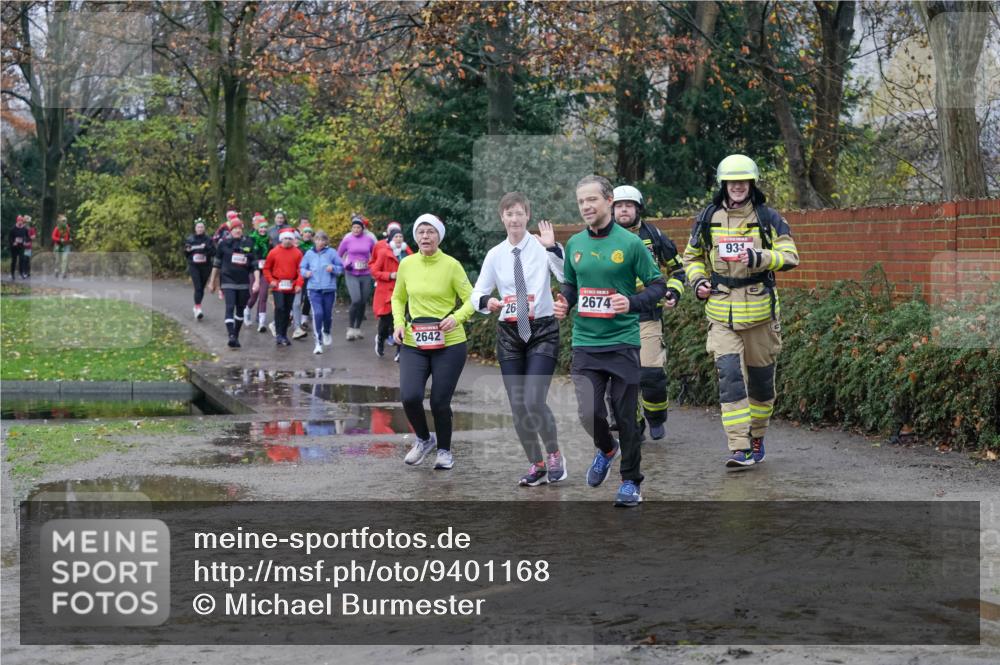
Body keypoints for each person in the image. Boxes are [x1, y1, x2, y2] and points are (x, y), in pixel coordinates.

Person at [553, 175, 666, 507]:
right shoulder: (574, 244)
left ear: (609, 201)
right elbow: (572, 285)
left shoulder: (630, 244)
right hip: (586, 343)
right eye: (581, 202)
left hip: (622, 342)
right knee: (588, 413)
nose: (586, 207)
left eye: (592, 200)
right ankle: (606, 449)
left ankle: (631, 481)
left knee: (625, 414)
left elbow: (657, 285)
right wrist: (565, 302)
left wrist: (631, 302)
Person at [681, 154, 799, 469]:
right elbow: (690, 258)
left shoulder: (768, 217)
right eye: (732, 182)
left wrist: (759, 257)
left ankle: (757, 435)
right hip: (721, 312)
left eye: (742, 181)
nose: (737, 187)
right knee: (730, 378)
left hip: (760, 312)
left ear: (751, 184)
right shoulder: (707, 217)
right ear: (723, 185)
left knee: (761, 385)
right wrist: (698, 282)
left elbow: (790, 256)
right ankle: (739, 447)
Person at [471, 192, 567, 487]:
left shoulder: (543, 247)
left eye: (519, 214)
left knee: (534, 399)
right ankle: (536, 465)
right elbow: (476, 294)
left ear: (528, 216)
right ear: (502, 218)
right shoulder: (495, 254)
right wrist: (489, 302)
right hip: (510, 334)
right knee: (518, 405)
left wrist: (552, 249)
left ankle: (554, 456)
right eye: (509, 214)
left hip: (542, 330)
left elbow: (566, 277)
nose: (514, 219)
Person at [392, 214, 475, 471]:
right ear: (415, 236)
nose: (425, 236)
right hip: (415, 341)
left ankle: (444, 451)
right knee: (410, 396)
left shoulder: (451, 265)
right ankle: (424, 440)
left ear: (439, 236)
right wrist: (397, 322)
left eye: (431, 232)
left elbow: (472, 298)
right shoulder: (407, 264)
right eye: (421, 232)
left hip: (449, 343)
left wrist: (457, 317)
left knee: (439, 401)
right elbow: (398, 298)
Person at [612, 185, 685, 441]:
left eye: (628, 205)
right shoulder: (602, 237)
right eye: (619, 206)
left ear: (638, 208)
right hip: (612, 320)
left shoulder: (654, 235)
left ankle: (655, 416)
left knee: (651, 374)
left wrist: (673, 292)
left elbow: (678, 270)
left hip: (646, 315)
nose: (623, 210)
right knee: (619, 379)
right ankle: (633, 424)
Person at [208, 218, 259, 349]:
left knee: (240, 309)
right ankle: (231, 335)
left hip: (243, 282)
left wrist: (257, 281)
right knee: (230, 307)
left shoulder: (248, 242)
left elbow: (254, 265)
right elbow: (216, 264)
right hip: (227, 281)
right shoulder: (223, 244)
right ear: (230, 230)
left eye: (239, 228)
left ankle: (235, 335)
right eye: (235, 228)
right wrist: (212, 281)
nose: (237, 230)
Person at [370, 224, 411, 360]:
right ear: (391, 239)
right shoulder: (384, 252)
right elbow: (374, 271)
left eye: (401, 236)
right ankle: (380, 340)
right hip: (386, 292)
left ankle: (400, 351)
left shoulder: (408, 253)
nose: (399, 239)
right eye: (396, 236)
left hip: (403, 291)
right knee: (386, 321)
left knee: (401, 320)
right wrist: (390, 275)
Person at [299, 230, 344, 354]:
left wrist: (333, 268)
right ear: (314, 240)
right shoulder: (309, 253)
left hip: (329, 288)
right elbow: (302, 267)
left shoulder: (332, 253)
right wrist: (305, 273)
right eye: (317, 239)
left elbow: (341, 268)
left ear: (326, 241)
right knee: (317, 314)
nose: (320, 242)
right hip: (313, 289)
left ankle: (327, 331)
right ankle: (318, 343)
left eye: (322, 240)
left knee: (327, 315)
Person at [264, 229, 304, 346]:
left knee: (287, 310)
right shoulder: (274, 252)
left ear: (293, 240)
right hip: (278, 285)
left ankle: (284, 335)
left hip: (291, 285)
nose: (287, 241)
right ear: (281, 239)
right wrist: (271, 280)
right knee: (280, 307)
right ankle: (278, 334)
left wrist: (298, 284)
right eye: (285, 238)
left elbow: (300, 270)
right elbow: (266, 268)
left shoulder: (297, 253)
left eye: (290, 239)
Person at [338, 215, 376, 340]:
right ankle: (350, 328)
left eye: (358, 227)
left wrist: (372, 266)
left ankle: (357, 328)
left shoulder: (369, 239)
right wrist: (345, 264)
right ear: (351, 228)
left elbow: (375, 255)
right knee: (356, 300)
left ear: (362, 228)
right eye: (354, 227)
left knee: (363, 301)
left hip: (365, 274)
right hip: (351, 273)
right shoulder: (347, 239)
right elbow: (338, 255)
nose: (356, 229)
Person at [244, 213, 271, 331]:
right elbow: (246, 253)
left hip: (265, 271)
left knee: (263, 295)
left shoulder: (269, 241)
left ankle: (261, 323)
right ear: (257, 228)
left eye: (265, 227)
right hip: (253, 270)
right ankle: (247, 309)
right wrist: (254, 258)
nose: (263, 229)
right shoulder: (250, 239)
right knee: (254, 295)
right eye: (261, 227)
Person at [184, 218, 214, 320]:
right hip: (194, 266)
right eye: (198, 227)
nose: (200, 229)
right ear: (195, 228)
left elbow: (214, 252)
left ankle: (196, 306)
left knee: (201, 287)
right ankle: (198, 308)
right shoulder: (190, 239)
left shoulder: (208, 239)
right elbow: (186, 254)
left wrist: (206, 248)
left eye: (202, 227)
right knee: (198, 287)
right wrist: (187, 250)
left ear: (204, 228)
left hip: (205, 266)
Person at [291, 222, 315, 340]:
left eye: (310, 232)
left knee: (309, 297)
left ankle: (304, 319)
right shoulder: (298, 247)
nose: (307, 234)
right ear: (302, 234)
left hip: (312, 276)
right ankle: (294, 317)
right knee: (298, 299)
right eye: (305, 232)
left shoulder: (315, 246)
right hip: (300, 275)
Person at [8, 215, 29, 280]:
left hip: (21, 247)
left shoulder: (24, 229)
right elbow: (10, 238)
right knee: (14, 260)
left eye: (21, 221)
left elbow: (27, 237)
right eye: (19, 221)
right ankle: (12, 274)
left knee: (21, 260)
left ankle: (21, 273)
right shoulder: (13, 229)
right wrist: (13, 243)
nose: (20, 222)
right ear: (17, 221)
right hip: (14, 247)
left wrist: (25, 241)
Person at [51, 215, 71, 279]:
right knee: (58, 259)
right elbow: (53, 237)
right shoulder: (57, 228)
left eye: (65, 221)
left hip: (66, 245)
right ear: (60, 221)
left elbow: (68, 236)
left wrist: (69, 239)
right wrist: (59, 239)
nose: (65, 222)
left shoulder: (67, 228)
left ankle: (63, 272)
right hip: (58, 245)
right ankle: (56, 270)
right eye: (63, 221)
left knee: (65, 259)